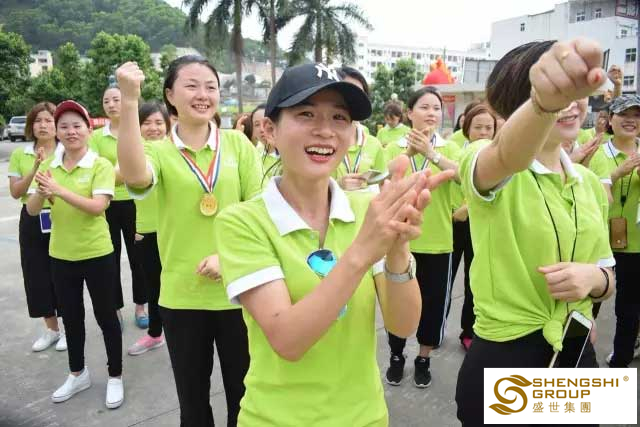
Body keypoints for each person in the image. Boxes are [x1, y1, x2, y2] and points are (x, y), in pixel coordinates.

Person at [214, 62, 453, 427]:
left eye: (339, 118)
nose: (325, 131)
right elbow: (288, 341)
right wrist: (364, 250)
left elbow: (403, 325)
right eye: (306, 114)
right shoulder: (242, 222)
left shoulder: (366, 209)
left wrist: (396, 247)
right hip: (276, 419)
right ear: (270, 130)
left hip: (366, 417)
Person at [454, 39, 615, 424]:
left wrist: (595, 280)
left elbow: (608, 273)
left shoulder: (590, 184)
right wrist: (544, 104)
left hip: (577, 349)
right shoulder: (484, 159)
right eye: (558, 90)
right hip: (508, 355)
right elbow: (506, 156)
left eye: (575, 91)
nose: (570, 102)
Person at [115, 55, 262, 426]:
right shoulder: (158, 150)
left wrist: (228, 258)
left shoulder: (238, 145)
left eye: (211, 87)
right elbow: (135, 175)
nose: (203, 94)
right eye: (192, 86)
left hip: (239, 293)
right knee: (193, 403)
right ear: (170, 95)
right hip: (182, 298)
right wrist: (129, 101)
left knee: (245, 398)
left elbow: (259, 212)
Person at [26, 100, 124, 409]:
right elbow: (32, 210)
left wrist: (59, 190)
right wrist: (41, 192)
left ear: (88, 129)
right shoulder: (48, 166)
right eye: (64, 126)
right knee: (72, 317)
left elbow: (97, 207)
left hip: (97, 253)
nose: (71, 131)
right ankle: (77, 373)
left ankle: (115, 375)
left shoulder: (100, 165)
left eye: (77, 125)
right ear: (57, 132)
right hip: (61, 255)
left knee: (107, 316)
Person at [384, 86, 461, 388]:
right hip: (400, 242)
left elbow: (463, 175)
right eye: (424, 107)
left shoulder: (449, 148)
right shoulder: (392, 147)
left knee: (433, 305)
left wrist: (431, 153)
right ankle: (396, 355)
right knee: (396, 301)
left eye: (436, 108)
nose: (431, 113)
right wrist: (409, 152)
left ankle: (423, 358)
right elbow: (384, 179)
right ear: (409, 113)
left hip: (439, 242)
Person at [9, 102, 66, 352]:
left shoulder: (67, 151)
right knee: (36, 274)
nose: (43, 125)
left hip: (61, 215)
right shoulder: (20, 154)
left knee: (63, 272)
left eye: (48, 120)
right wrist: (34, 167)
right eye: (37, 121)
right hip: (32, 217)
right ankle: (52, 329)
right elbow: (15, 192)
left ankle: (70, 328)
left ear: (57, 125)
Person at [588, 94, 640, 367]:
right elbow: (592, 192)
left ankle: (621, 359)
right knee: (588, 304)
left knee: (629, 309)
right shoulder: (599, 152)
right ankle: (576, 358)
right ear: (610, 119)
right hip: (599, 241)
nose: (631, 121)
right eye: (624, 115)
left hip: (635, 244)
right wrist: (619, 172)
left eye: (636, 116)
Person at [89, 85, 147, 328]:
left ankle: (141, 306)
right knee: (109, 260)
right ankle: (115, 309)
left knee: (138, 259)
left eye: (116, 99)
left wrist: (115, 174)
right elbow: (93, 171)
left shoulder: (138, 131)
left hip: (137, 203)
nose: (111, 105)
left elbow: (142, 167)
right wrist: (124, 174)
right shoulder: (95, 137)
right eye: (106, 101)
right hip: (107, 204)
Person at [126, 101, 171, 356]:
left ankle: (181, 332)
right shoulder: (135, 151)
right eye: (146, 123)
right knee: (154, 286)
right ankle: (155, 334)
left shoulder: (175, 150)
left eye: (158, 122)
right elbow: (124, 174)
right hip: (146, 230)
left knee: (178, 284)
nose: (153, 128)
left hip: (175, 230)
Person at [450, 104, 496, 351]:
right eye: (478, 127)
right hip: (452, 223)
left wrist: (467, 207)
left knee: (474, 279)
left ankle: (469, 330)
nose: (483, 132)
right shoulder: (455, 149)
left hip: (480, 225)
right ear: (467, 128)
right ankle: (435, 329)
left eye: (489, 127)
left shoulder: (498, 157)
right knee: (446, 278)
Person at [334, 66, 387, 191]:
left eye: (360, 95)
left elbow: (383, 187)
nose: (354, 100)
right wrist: (336, 186)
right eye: (347, 92)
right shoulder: (319, 142)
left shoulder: (374, 144)